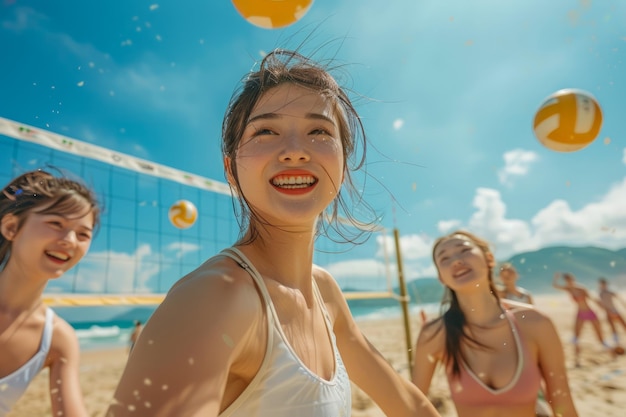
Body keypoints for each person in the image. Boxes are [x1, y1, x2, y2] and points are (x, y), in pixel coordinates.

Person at [107, 49, 440, 417]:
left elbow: (408, 404)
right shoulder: (215, 296)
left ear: (343, 165)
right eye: (266, 130)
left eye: (319, 131)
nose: (294, 152)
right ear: (231, 169)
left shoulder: (325, 291)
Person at [412, 230, 578, 417]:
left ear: (489, 259)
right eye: (445, 259)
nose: (456, 261)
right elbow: (413, 405)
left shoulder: (536, 323)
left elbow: (562, 402)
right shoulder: (435, 334)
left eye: (464, 250)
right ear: (441, 278)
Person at [0, 169, 100, 416]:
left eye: (83, 234)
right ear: (11, 227)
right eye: (56, 223)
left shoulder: (58, 338)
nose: (70, 240)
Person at [552, 272, 611, 366]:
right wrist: (556, 278)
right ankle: (577, 360)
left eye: (570, 280)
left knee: (600, 336)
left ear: (573, 279)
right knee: (576, 337)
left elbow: (592, 298)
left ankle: (612, 354)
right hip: (580, 314)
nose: (569, 282)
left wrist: (604, 307)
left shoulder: (581, 288)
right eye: (567, 281)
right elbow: (555, 286)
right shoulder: (568, 289)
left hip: (590, 313)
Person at [597, 277, 626, 347]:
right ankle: (617, 342)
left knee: (623, 324)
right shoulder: (601, 293)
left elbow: (618, 298)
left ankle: (617, 342)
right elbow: (601, 304)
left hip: (613, 310)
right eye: (601, 284)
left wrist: (623, 304)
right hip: (609, 311)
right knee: (613, 327)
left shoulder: (607, 292)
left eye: (603, 284)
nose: (603, 285)